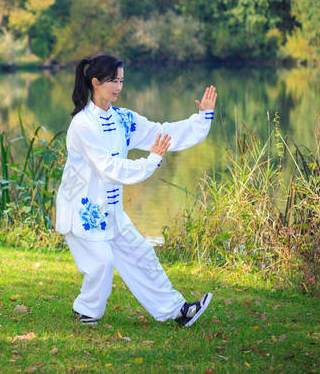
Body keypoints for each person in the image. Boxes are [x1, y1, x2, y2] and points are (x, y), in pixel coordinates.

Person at [55, 54, 217, 327]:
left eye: (121, 80)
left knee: (142, 254)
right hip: (83, 210)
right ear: (95, 82)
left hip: (112, 211)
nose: (118, 86)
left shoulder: (122, 118)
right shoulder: (83, 125)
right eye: (112, 81)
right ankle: (86, 311)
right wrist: (150, 161)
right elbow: (108, 168)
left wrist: (201, 119)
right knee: (102, 264)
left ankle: (178, 311)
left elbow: (160, 133)